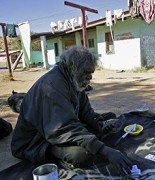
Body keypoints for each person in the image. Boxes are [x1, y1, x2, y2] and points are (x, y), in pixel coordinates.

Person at [11, 46, 132, 175]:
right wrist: (104, 150)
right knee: (84, 154)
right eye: (86, 72)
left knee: (107, 120)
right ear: (73, 68)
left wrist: (98, 124)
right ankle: (52, 152)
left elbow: (85, 112)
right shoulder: (53, 85)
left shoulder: (72, 79)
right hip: (38, 141)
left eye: (91, 72)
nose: (90, 77)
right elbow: (64, 127)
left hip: (60, 128)